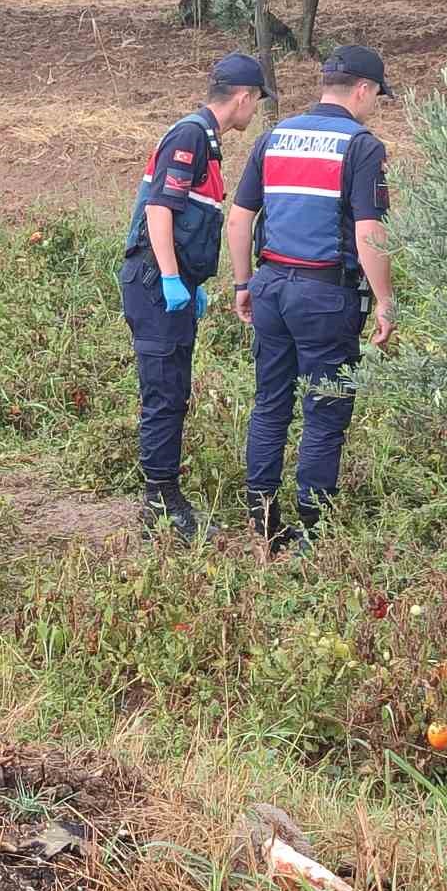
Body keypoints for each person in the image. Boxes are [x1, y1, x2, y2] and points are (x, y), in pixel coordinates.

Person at [226, 44, 398, 553]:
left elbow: (239, 219)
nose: (373, 106)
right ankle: (311, 530)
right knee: (325, 409)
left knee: (271, 402)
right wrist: (386, 300)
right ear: (363, 90)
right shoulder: (362, 146)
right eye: (376, 97)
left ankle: (261, 520)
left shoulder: (274, 136)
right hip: (326, 294)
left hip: (271, 287)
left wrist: (242, 284)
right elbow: (369, 231)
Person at [120, 52, 269, 538]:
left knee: (174, 391)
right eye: (257, 103)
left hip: (172, 281)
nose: (255, 113)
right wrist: (168, 277)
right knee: (164, 392)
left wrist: (189, 282)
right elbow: (161, 211)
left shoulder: (207, 141)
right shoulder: (190, 136)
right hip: (153, 283)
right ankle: (158, 501)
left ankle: (165, 492)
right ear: (243, 97)